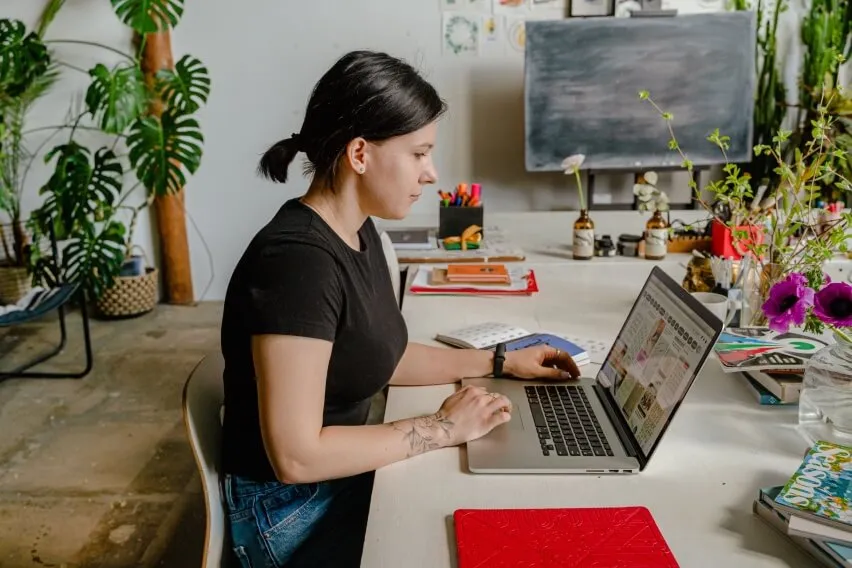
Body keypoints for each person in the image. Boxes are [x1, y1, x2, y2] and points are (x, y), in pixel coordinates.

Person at [219, 50, 581, 568]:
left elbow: (376, 354)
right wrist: (442, 428)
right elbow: (296, 456)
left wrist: (499, 361)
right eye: (419, 153)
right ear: (360, 154)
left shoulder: (357, 228)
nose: (431, 173)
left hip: (331, 479)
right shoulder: (297, 263)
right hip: (288, 511)